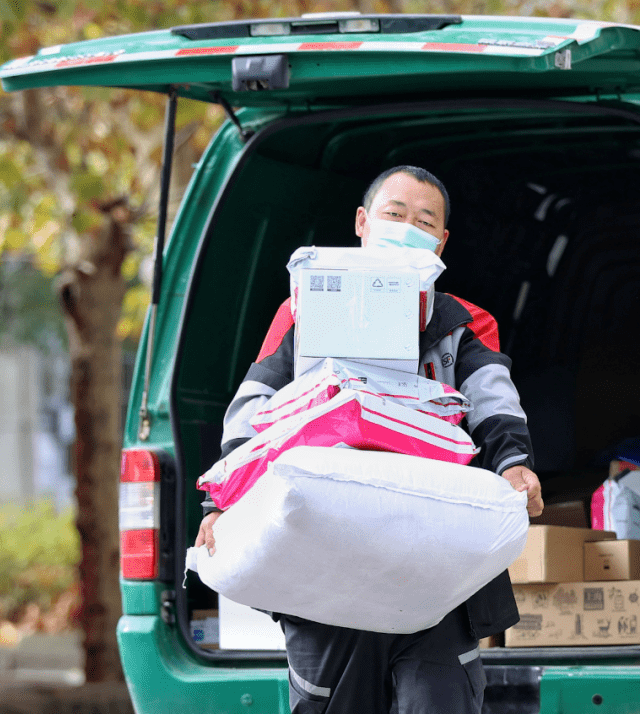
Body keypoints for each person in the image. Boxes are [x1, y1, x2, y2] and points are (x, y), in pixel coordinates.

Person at [195, 166, 543, 713]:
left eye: (425, 221)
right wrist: (224, 501)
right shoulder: (302, 313)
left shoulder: (462, 324)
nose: (408, 227)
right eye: (394, 214)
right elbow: (253, 411)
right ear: (362, 222)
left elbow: (493, 401)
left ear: (442, 242)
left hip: (435, 576)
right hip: (327, 576)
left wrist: (514, 464)